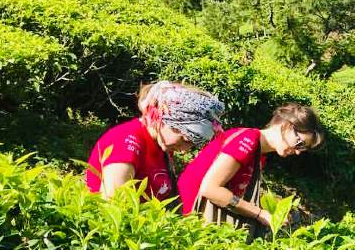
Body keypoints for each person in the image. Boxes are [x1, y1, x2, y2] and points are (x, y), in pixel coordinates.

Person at [178, 102, 324, 241]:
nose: (298, 152)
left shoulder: (258, 153)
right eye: (299, 143)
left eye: (303, 148)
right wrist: (259, 213)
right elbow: (210, 189)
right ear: (286, 125)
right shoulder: (248, 140)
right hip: (188, 220)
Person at [86, 81, 224, 201]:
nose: (184, 150)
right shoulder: (125, 141)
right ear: (164, 119)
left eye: (192, 145)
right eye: (185, 139)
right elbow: (113, 205)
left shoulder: (161, 146)